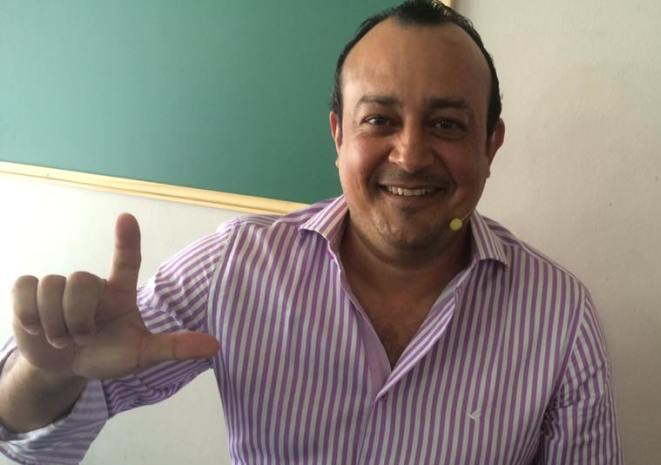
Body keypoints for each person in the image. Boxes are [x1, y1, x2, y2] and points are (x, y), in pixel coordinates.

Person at [0, 1, 623, 464]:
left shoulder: (561, 318)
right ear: (338, 134)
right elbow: (28, 439)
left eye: (447, 124)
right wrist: (50, 375)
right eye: (379, 119)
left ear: (491, 144)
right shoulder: (238, 264)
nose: (410, 156)